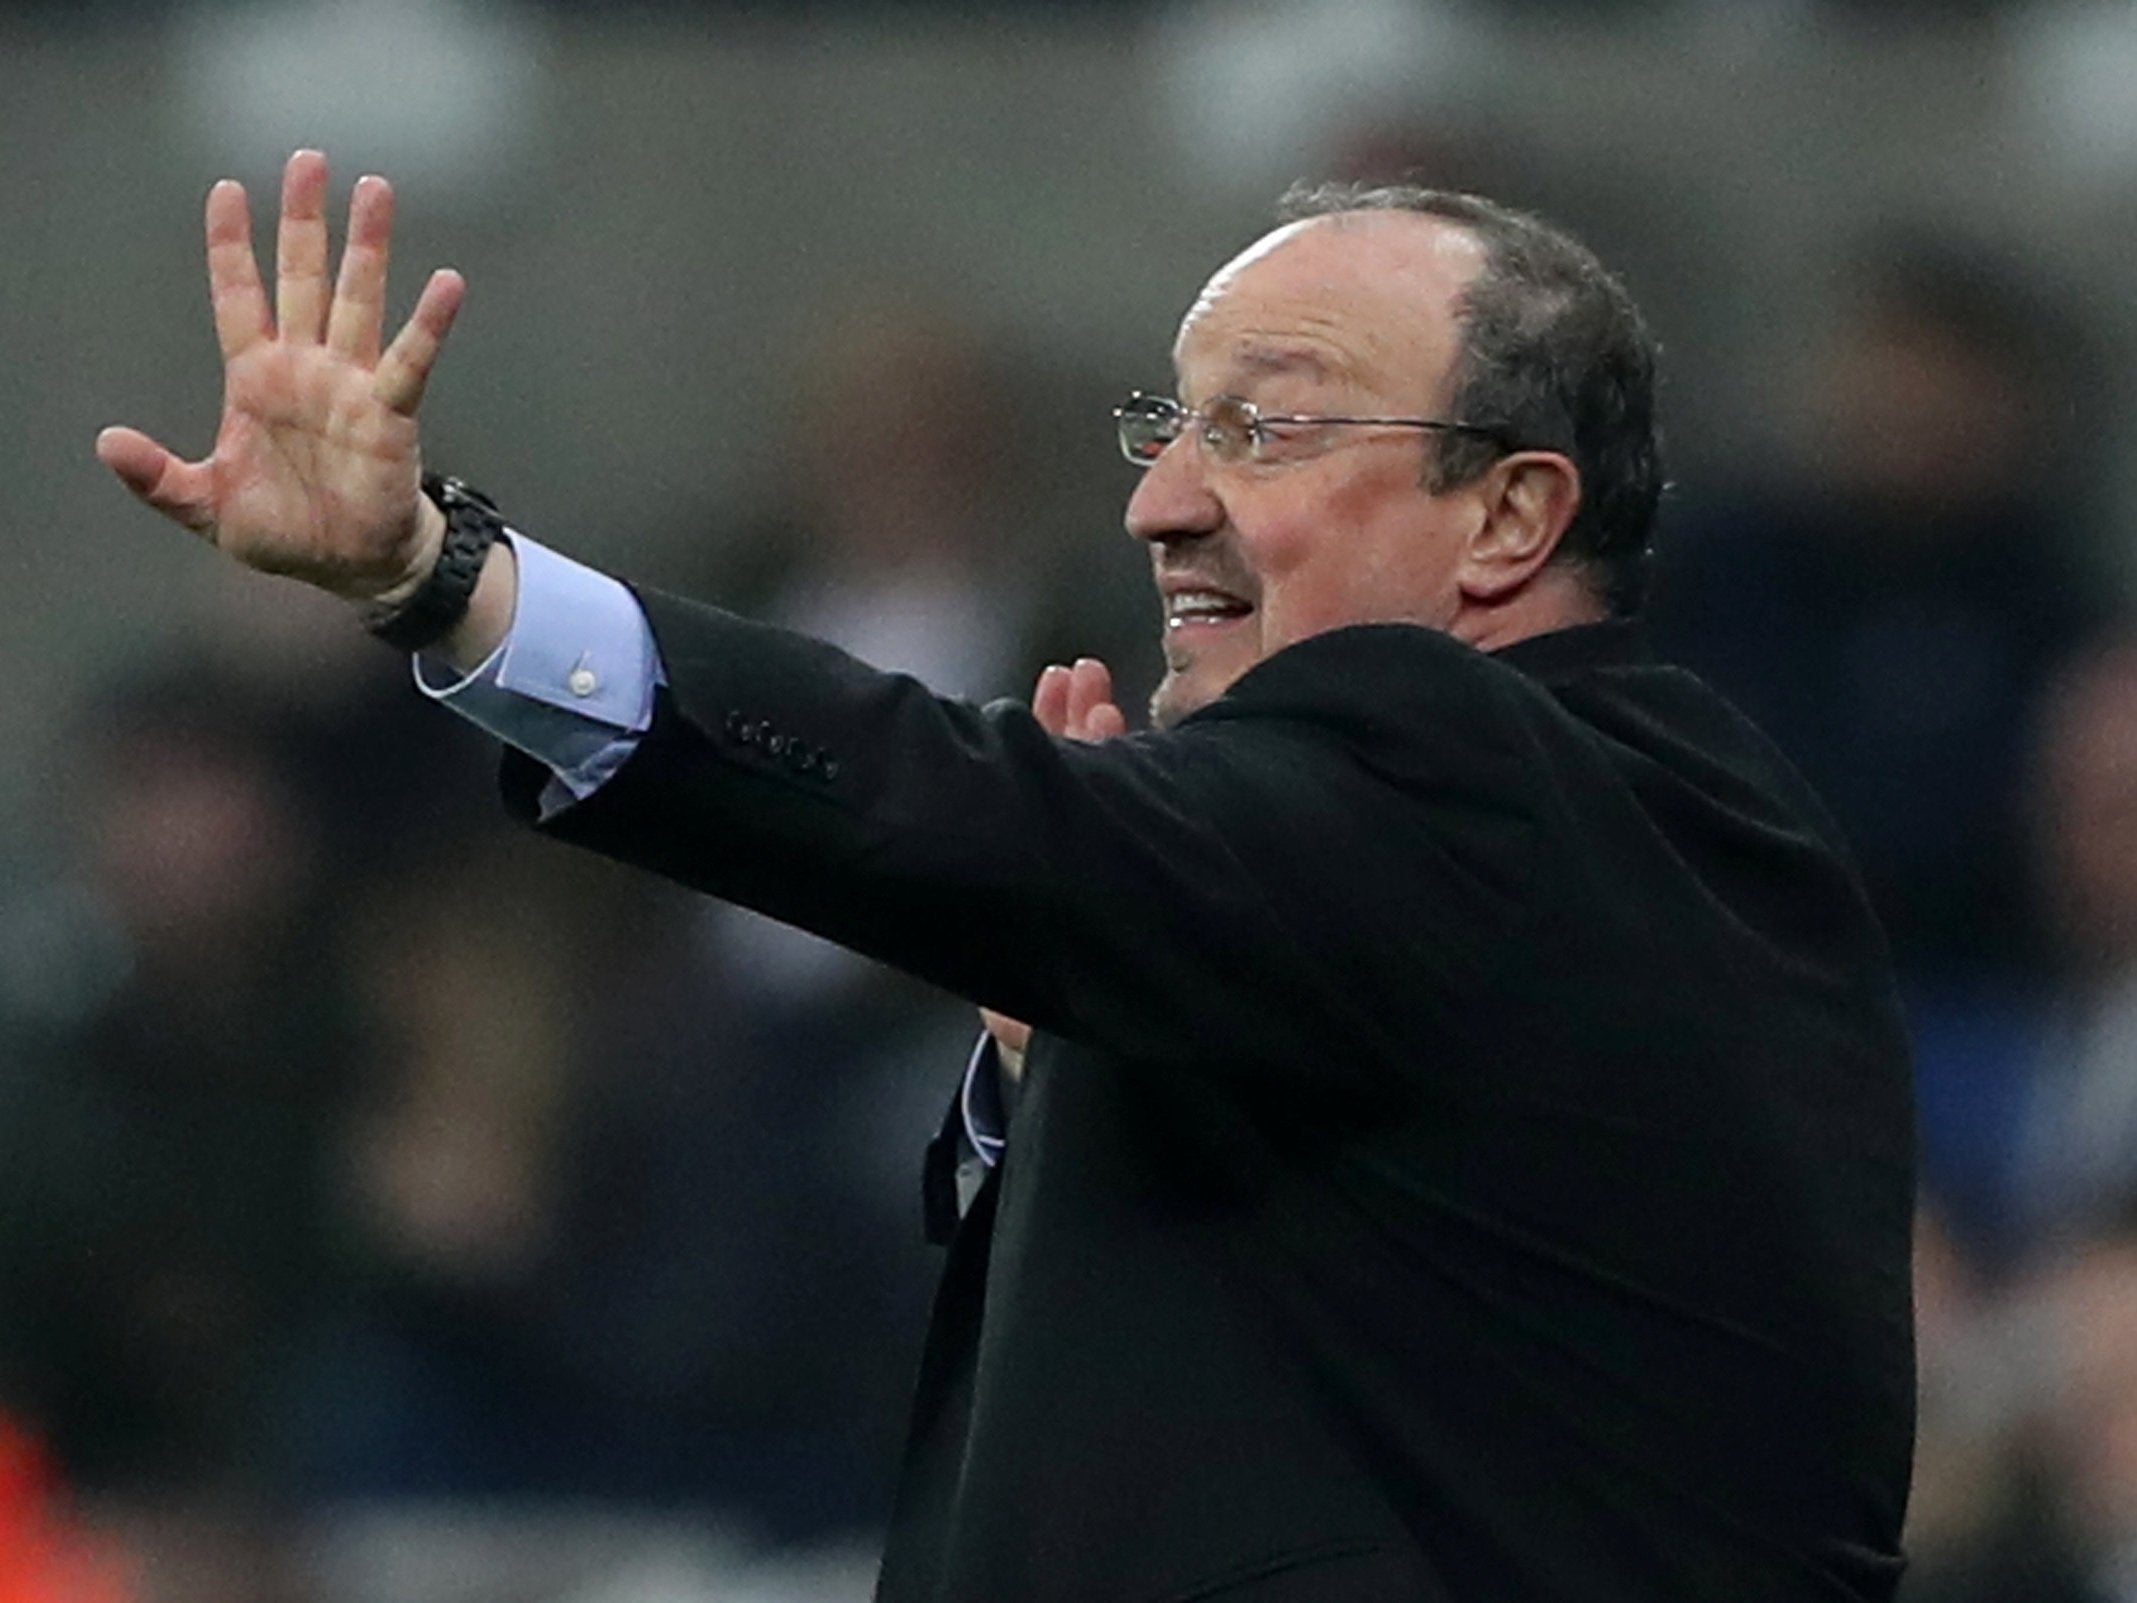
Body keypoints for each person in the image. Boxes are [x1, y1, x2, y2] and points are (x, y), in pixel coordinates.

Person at [97, 151, 1916, 1601]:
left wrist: (441, 577)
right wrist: (1070, 1036)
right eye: (1169, 424)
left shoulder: (1502, 767)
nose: (1157, 505)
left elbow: (957, 802)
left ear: (1514, 516)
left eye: (1264, 428)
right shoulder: (1470, 880)